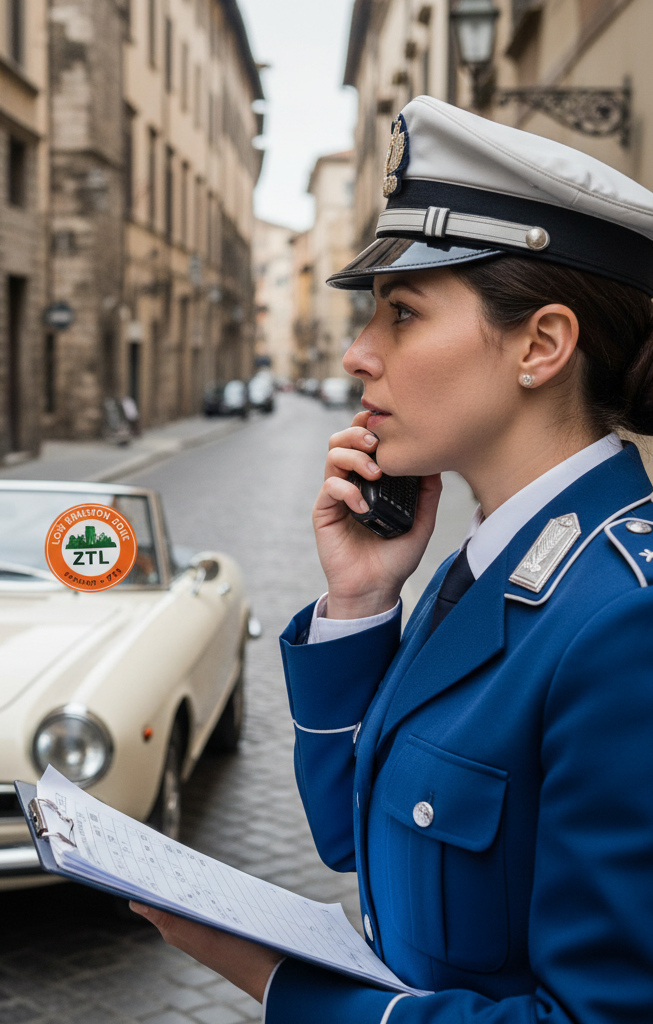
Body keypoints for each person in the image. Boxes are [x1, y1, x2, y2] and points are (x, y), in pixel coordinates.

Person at [131, 96, 653, 1022]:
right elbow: (356, 834)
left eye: (402, 313)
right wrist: (364, 598)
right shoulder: (486, 563)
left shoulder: (625, 625)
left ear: (542, 345)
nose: (357, 353)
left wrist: (286, 985)